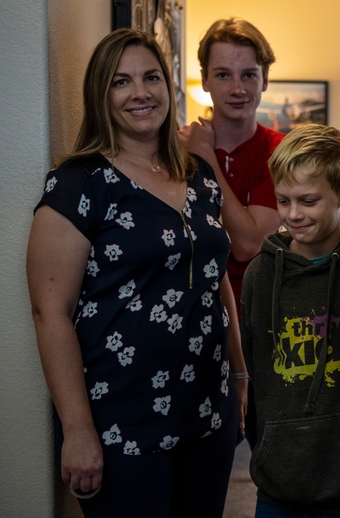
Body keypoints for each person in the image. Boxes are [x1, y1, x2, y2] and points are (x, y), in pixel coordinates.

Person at [26, 28, 247, 517]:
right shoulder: (78, 184)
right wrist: (79, 431)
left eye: (151, 77)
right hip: (120, 421)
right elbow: (50, 313)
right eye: (122, 82)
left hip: (207, 410)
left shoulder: (199, 175)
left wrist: (238, 374)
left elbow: (215, 281)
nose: (141, 92)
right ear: (101, 95)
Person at [241, 124, 340, 518]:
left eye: (308, 201)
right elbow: (255, 366)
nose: (293, 214)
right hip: (279, 483)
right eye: (283, 200)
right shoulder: (260, 275)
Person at [179, 17, 284, 314]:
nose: (238, 88)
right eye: (223, 75)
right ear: (205, 79)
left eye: (249, 75)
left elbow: (248, 245)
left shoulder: (281, 151)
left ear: (264, 79)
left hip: (256, 315)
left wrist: (206, 159)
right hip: (188, 313)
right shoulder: (177, 150)